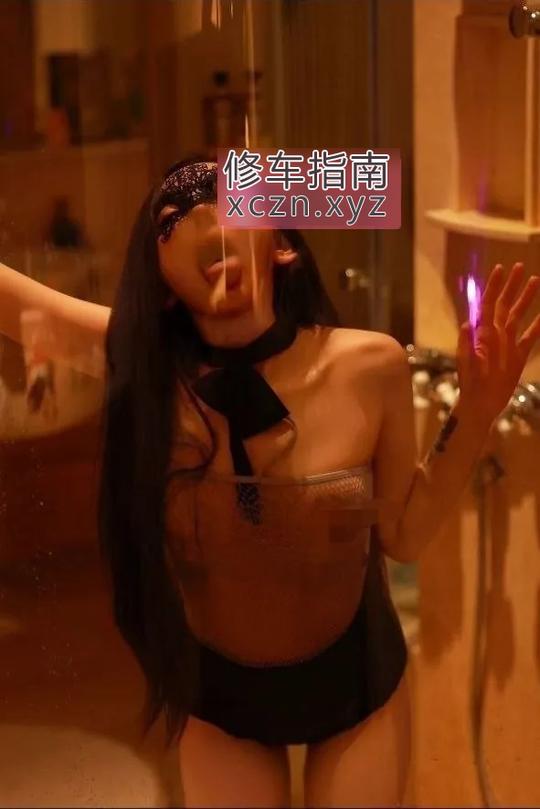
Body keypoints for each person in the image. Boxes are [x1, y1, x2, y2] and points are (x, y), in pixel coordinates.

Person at [1, 155, 539, 809]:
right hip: (220, 692)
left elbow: (404, 533)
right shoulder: (150, 367)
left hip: (355, 681)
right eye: (173, 219)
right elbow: (13, 300)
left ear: (282, 245)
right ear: (162, 283)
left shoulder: (369, 364)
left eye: (230, 200)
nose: (207, 216)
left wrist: (476, 412)